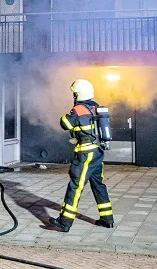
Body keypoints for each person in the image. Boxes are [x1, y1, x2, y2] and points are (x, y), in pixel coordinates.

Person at [49, 79, 114, 232]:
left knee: (75, 186)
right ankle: (107, 218)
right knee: (98, 184)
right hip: (98, 152)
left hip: (86, 154)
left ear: (77, 94)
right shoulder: (95, 107)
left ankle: (65, 221)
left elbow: (65, 124)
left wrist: (67, 113)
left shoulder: (79, 109)